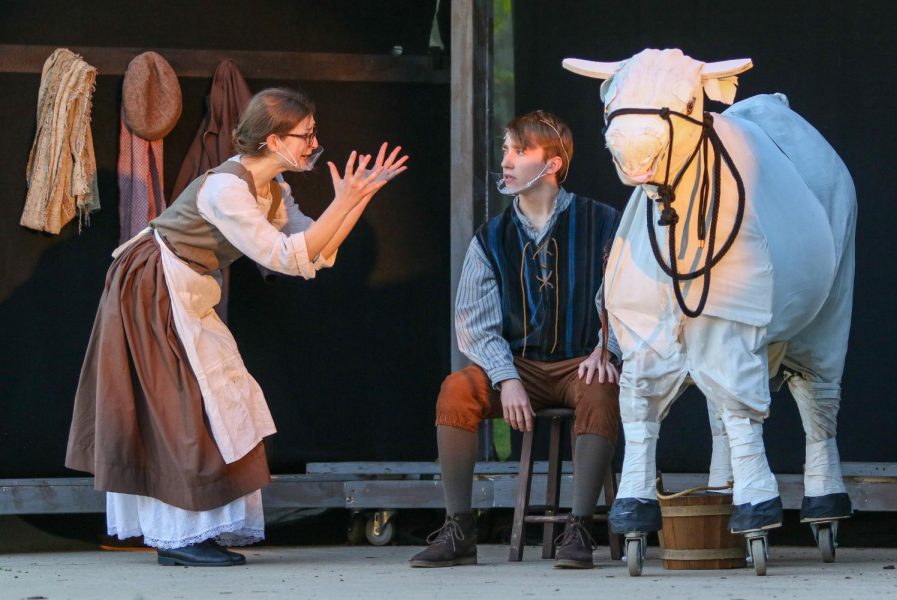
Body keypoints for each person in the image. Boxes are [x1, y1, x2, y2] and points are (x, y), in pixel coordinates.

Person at [65, 87, 408, 567]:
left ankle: (196, 529)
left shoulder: (273, 190)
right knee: (181, 407)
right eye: (305, 135)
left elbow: (312, 252)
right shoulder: (227, 188)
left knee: (222, 399)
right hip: (152, 289)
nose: (314, 144)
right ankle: (177, 538)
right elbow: (286, 258)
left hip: (186, 288)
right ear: (272, 139)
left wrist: (354, 200)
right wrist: (345, 202)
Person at [409, 110, 621, 569]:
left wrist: (608, 348)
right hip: (518, 364)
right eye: (506, 149)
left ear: (552, 165)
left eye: (519, 150)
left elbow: (627, 298)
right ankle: (459, 529)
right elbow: (474, 322)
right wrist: (506, 378)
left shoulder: (604, 224)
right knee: (457, 389)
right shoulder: (491, 238)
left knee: (603, 389)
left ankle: (580, 530)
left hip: (581, 361)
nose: (505, 160)